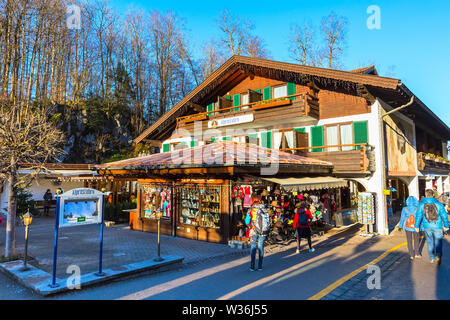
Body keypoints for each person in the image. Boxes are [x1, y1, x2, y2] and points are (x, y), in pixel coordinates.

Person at [415, 189, 450, 265]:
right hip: (438, 226)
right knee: (438, 241)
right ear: (433, 195)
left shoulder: (421, 204)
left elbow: (418, 216)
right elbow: (444, 215)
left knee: (429, 242)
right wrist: (446, 226)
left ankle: (432, 258)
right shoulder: (439, 204)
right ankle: (438, 254)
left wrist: (416, 226)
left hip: (427, 226)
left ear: (425, 195)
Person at [245, 195, 270, 271]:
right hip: (263, 231)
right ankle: (260, 266)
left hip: (253, 231)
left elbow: (246, 221)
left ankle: (252, 266)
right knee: (260, 247)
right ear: (259, 200)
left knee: (253, 247)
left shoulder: (251, 210)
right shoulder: (264, 209)